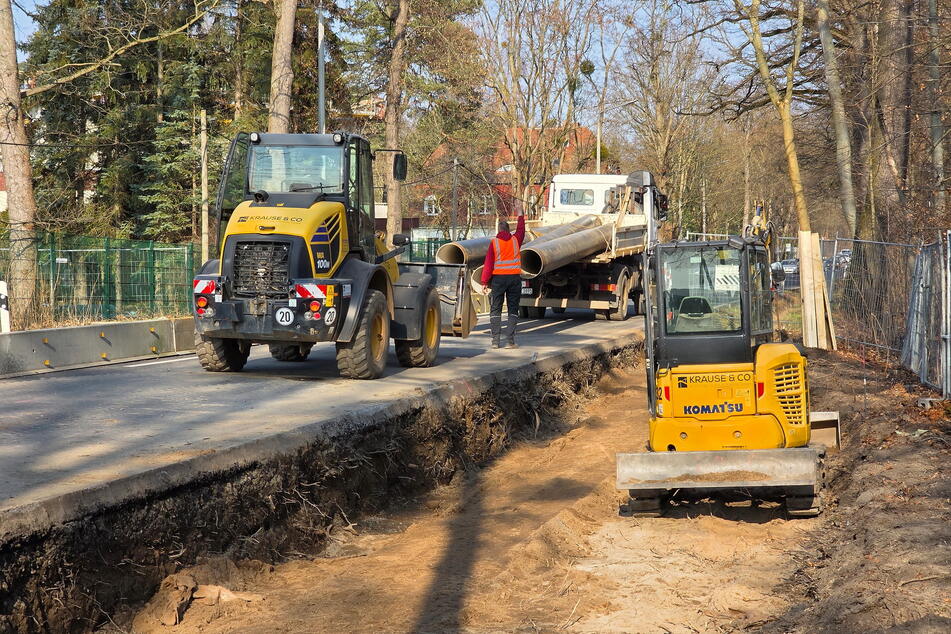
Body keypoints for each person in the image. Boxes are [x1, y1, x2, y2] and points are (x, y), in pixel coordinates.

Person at [480, 206, 526, 349]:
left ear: (499, 231)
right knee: (513, 309)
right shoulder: (515, 240)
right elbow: (521, 230)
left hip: (498, 280)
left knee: (496, 309)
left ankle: (495, 341)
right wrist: (520, 216)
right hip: (514, 279)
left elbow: (488, 264)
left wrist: (484, 282)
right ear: (508, 230)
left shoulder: (494, 243)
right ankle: (510, 342)